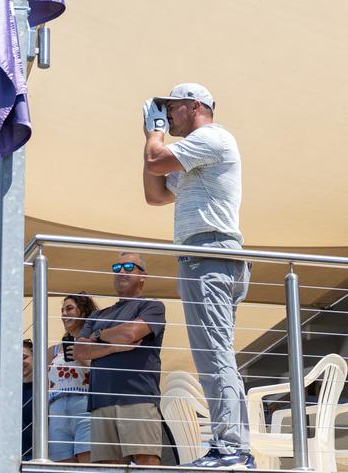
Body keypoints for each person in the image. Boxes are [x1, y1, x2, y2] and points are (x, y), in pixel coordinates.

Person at [141, 83, 254, 468]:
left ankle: (232, 448)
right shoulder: (193, 155)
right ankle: (232, 445)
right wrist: (152, 141)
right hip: (207, 257)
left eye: (172, 108)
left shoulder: (210, 138)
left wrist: (153, 135)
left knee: (214, 355)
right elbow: (154, 194)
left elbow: (156, 160)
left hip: (209, 255)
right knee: (216, 354)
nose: (167, 114)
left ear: (194, 107)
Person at [74, 252, 166, 466]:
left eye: (128, 267)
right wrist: (114, 346)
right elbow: (79, 351)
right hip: (100, 401)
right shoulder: (97, 315)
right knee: (105, 467)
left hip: (138, 397)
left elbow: (129, 335)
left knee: (146, 460)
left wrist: (99, 336)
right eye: (116, 268)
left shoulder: (152, 306)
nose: (121, 271)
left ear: (143, 276)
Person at [47, 293, 98, 462]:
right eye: (62, 310)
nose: (64, 314)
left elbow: (106, 373)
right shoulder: (53, 350)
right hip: (56, 409)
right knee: (63, 466)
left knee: (88, 463)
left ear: (83, 313)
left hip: (85, 405)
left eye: (69, 308)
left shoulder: (96, 342)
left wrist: (84, 358)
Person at [22, 339, 34, 461]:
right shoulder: (11, 393)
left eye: (24, 357)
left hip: (46, 455)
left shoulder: (47, 386)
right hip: (18, 457)